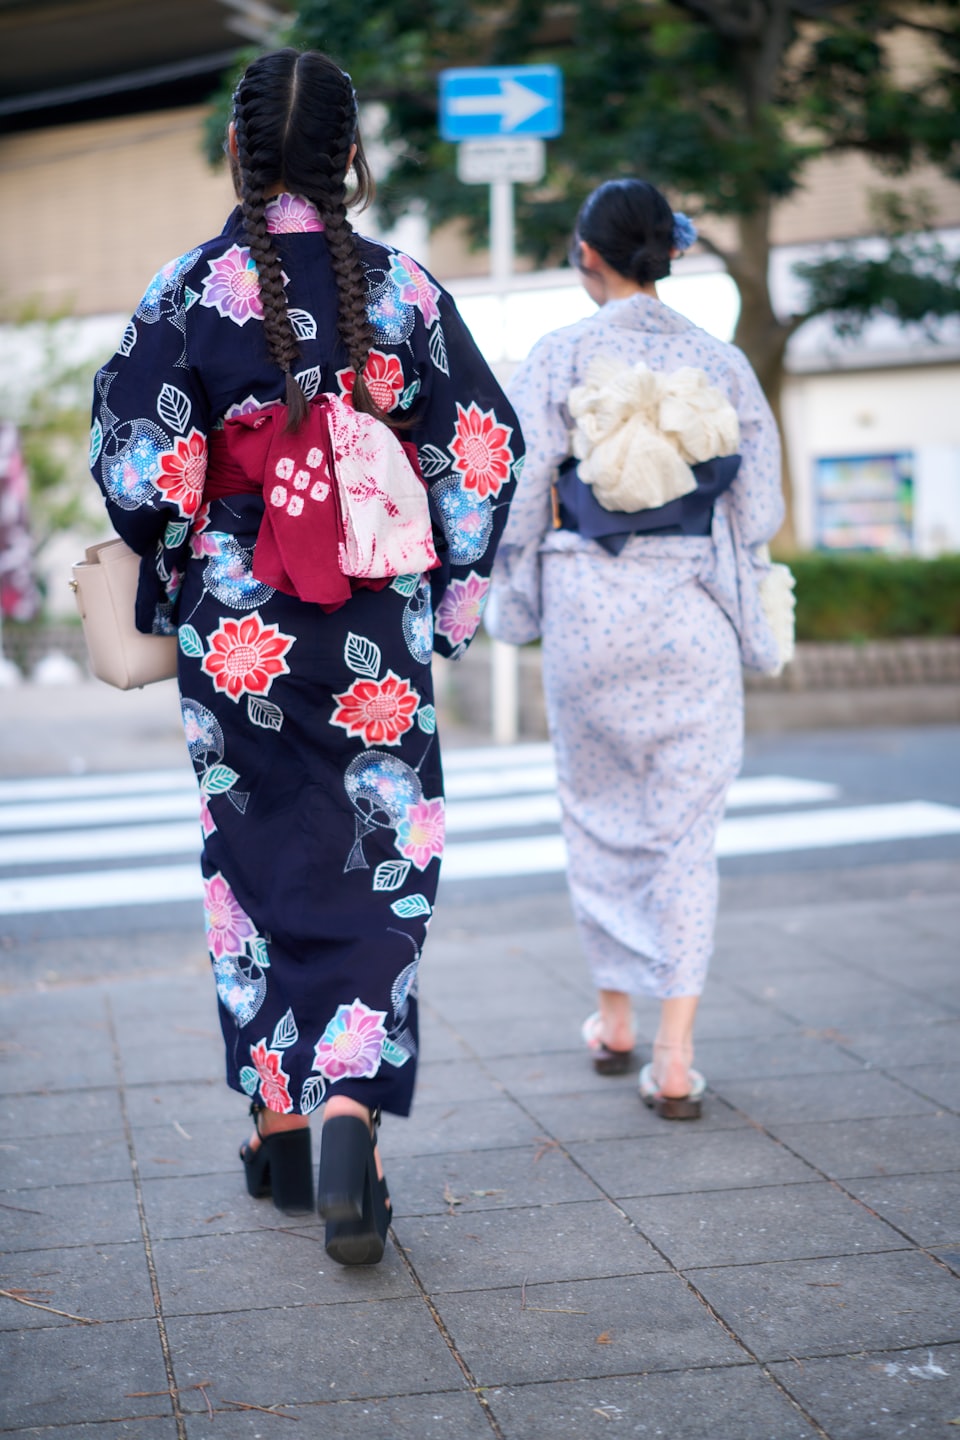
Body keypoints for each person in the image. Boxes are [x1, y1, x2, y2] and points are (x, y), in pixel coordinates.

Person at [89, 48, 521, 1261]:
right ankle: (347, 1115)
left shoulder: (190, 288)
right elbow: (480, 449)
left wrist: (185, 548)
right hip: (373, 614)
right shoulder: (404, 289)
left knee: (256, 855)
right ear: (351, 159)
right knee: (381, 855)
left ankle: (280, 1125)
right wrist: (449, 603)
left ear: (236, 154)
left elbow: (139, 465)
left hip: (240, 624)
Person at [487, 178, 784, 1119]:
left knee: (597, 814)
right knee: (684, 835)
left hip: (588, 611)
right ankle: (674, 1057)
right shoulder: (721, 361)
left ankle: (614, 1020)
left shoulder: (560, 352)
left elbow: (519, 489)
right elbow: (759, 509)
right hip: (689, 612)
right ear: (671, 251)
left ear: (588, 254)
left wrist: (512, 590)